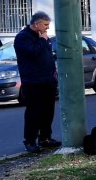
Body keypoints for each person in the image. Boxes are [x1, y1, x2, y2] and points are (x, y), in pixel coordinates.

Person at [14, 12, 61, 153]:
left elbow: (47, 55)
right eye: (45, 25)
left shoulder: (43, 37)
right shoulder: (23, 37)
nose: (47, 28)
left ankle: (45, 138)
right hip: (33, 82)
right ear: (36, 24)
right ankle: (30, 141)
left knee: (48, 111)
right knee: (34, 112)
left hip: (47, 80)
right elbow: (33, 53)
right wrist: (42, 40)